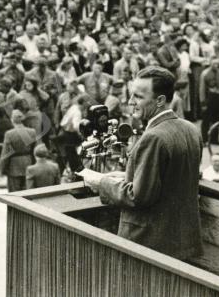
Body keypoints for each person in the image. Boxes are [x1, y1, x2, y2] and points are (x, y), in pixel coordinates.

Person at [79, 66, 203, 260]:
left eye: (138, 97)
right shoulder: (190, 129)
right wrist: (125, 176)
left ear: (160, 100)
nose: (130, 102)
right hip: (183, 240)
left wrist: (100, 182)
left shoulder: (153, 137)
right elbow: (171, 177)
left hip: (150, 243)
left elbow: (138, 197)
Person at [0, 110, 38, 192]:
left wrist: (2, 169)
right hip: (28, 163)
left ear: (12, 120)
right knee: (28, 192)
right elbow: (35, 150)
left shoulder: (9, 134)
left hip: (14, 166)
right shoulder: (32, 132)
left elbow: (5, 154)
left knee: (14, 194)